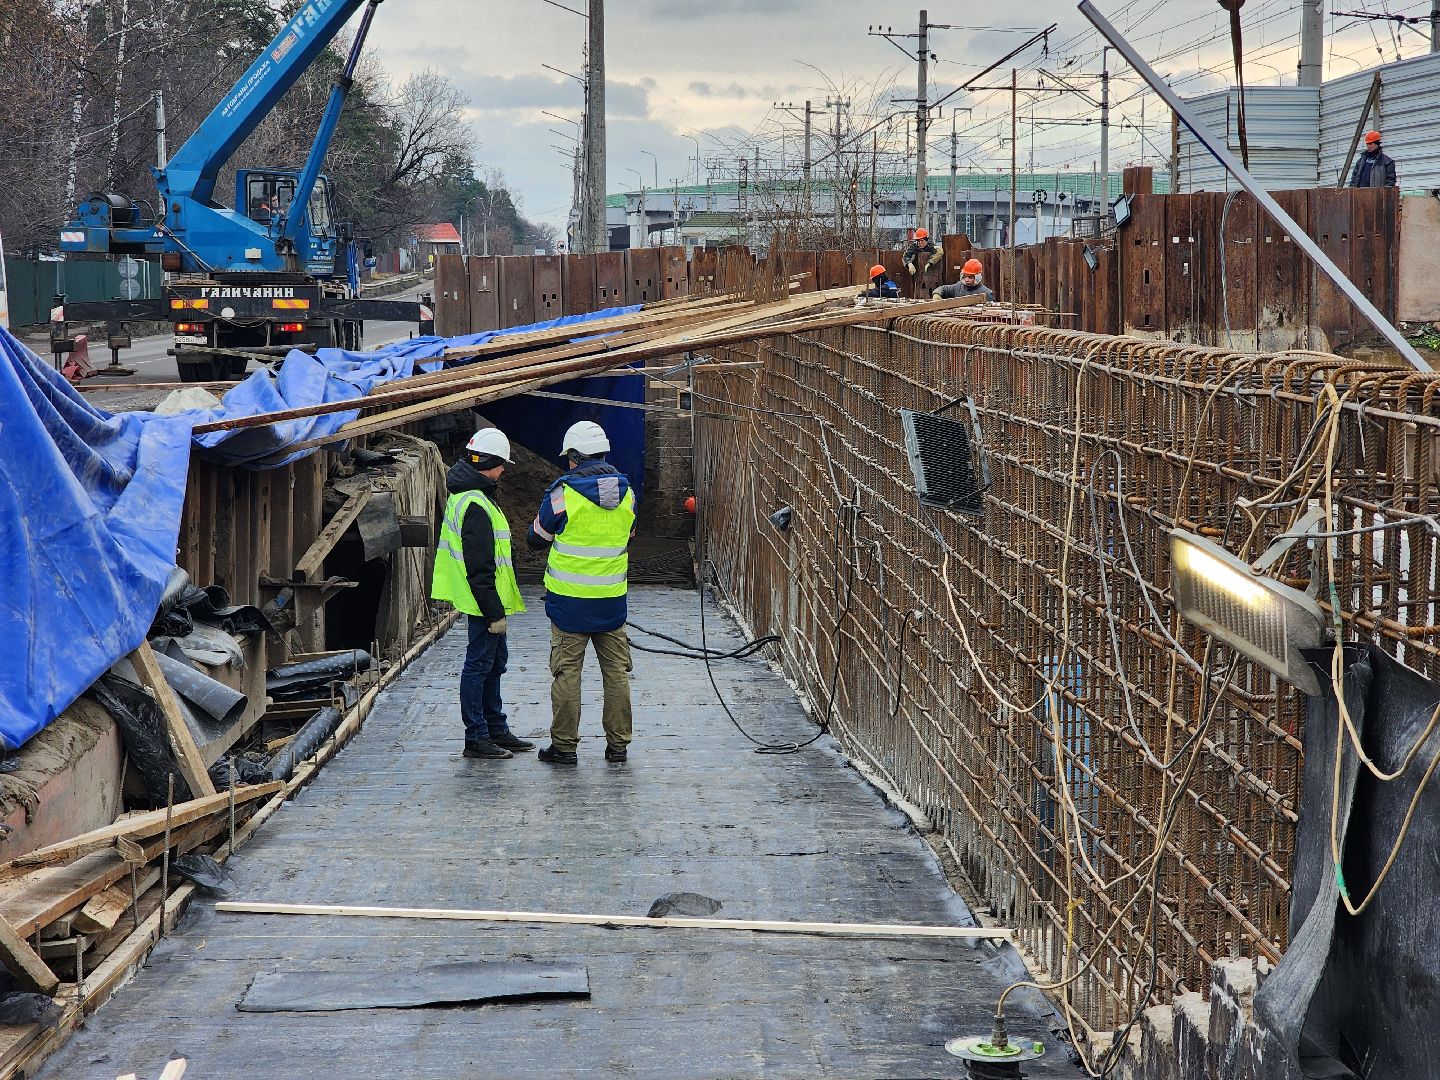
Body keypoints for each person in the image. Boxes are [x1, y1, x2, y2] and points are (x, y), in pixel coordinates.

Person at [527, 421, 637, 765]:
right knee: (616, 674)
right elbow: (630, 535)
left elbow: (537, 537)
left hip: (568, 604)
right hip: (611, 604)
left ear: (574, 456)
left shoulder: (563, 493)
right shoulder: (628, 493)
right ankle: (618, 747)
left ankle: (564, 747)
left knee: (566, 673)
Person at [430, 427, 533, 760]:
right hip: (483, 602)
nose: (504, 470)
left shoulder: (476, 494)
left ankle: (495, 729)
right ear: (489, 463)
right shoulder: (475, 503)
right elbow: (480, 566)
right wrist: (493, 613)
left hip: (489, 600)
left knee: (493, 664)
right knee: (478, 666)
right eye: (501, 464)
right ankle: (476, 736)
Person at [902, 227, 943, 294]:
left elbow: (939, 251)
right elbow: (906, 255)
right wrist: (909, 264)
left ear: (926, 240)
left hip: (932, 275)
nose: (920, 243)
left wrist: (929, 263)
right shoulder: (914, 247)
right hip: (918, 275)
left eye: (922, 241)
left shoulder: (931, 246)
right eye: (918, 241)